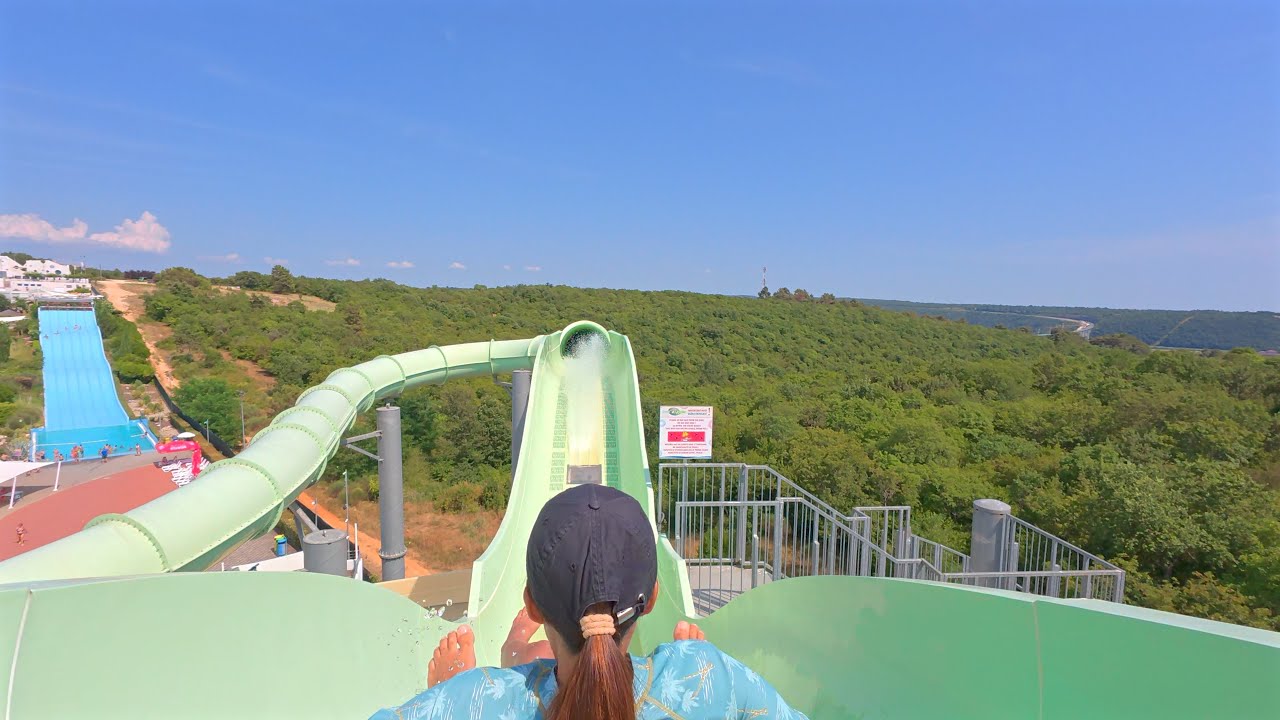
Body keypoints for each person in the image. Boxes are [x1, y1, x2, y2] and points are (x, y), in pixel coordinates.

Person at [371, 485, 807, 720]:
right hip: (700, 688)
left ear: (532, 606)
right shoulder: (713, 677)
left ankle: (510, 655)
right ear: (652, 598)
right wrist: (698, 671)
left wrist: (445, 698)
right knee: (697, 670)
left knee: (517, 673)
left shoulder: (474, 701)